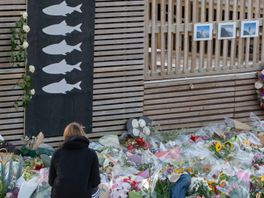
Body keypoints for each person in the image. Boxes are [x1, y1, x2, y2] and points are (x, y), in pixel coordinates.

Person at [48, 122, 100, 198]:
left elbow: (51, 181)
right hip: (82, 195)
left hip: (59, 195)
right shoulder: (91, 154)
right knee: (97, 190)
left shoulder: (57, 153)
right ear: (82, 134)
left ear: (65, 136)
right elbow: (95, 182)